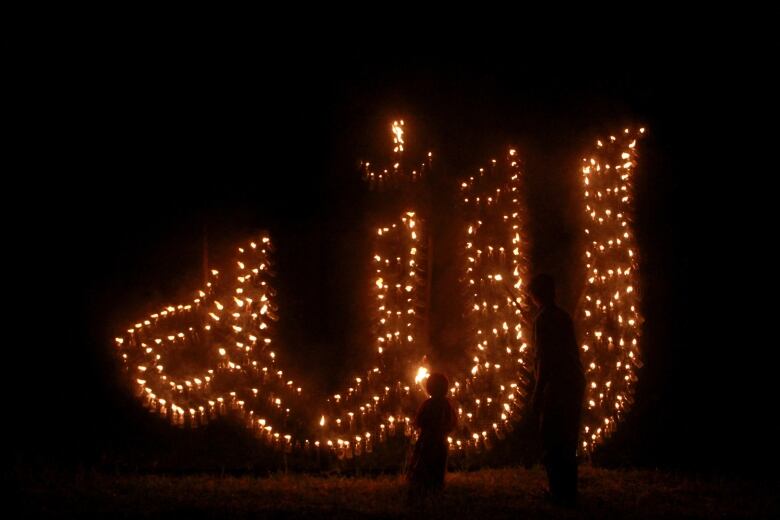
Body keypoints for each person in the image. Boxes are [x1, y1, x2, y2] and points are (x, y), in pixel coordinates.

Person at [528, 273, 586, 507]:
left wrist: (538, 392)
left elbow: (545, 359)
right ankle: (568, 491)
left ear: (535, 294)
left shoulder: (543, 320)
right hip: (574, 381)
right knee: (568, 438)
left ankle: (558, 492)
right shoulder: (563, 316)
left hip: (558, 384)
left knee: (552, 438)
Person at [407, 372, 458, 501]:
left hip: (427, 439)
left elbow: (419, 420)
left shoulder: (428, 404)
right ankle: (436, 484)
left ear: (429, 388)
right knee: (438, 463)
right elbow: (453, 421)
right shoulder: (447, 404)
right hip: (441, 440)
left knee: (424, 461)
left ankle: (421, 483)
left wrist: (417, 425)